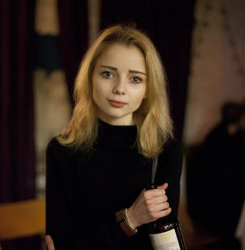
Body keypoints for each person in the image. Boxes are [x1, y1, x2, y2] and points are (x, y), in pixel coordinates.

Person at [45, 25, 183, 250]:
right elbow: (60, 244)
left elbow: (165, 243)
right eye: (108, 74)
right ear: (90, 77)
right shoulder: (61, 150)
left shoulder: (166, 152)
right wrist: (130, 219)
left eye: (135, 79)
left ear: (148, 89)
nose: (119, 88)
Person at [188, 102, 245, 249]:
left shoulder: (236, 134)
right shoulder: (219, 133)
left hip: (223, 181)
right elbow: (221, 166)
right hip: (212, 186)